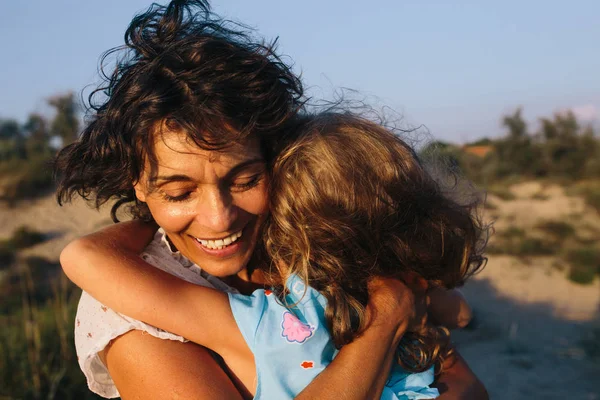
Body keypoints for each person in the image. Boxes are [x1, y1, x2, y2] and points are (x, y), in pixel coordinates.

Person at [54, 1, 488, 398]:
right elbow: (82, 255)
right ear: (138, 185)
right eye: (180, 192)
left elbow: (467, 379)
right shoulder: (131, 305)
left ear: (273, 162)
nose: (219, 218)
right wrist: (387, 320)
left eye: (244, 180)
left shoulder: (308, 250)